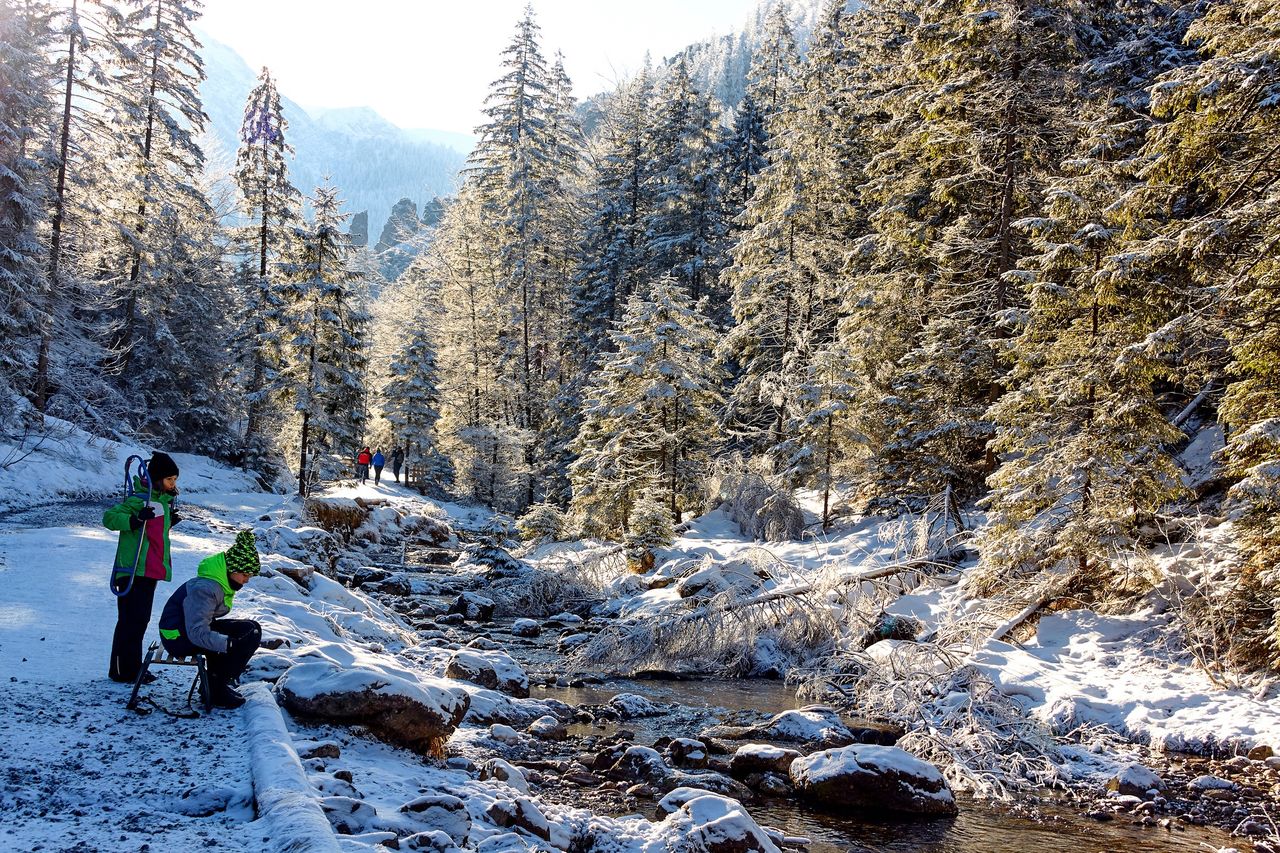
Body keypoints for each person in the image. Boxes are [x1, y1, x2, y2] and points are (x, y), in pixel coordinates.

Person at [158, 529, 263, 710]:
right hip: (178, 637)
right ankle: (215, 689)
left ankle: (216, 685)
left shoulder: (219, 583)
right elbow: (197, 632)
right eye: (245, 575)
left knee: (251, 629)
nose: (247, 581)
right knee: (235, 640)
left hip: (185, 630)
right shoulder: (206, 589)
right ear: (232, 569)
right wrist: (227, 643)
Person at [104, 451, 182, 683]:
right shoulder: (139, 499)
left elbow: (152, 536)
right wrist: (135, 519)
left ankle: (129, 667)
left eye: (175, 480)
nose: (173, 484)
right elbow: (109, 518)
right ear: (158, 478)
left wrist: (169, 524)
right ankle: (124, 670)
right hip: (133, 571)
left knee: (139, 621)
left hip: (148, 571)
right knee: (131, 621)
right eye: (170, 479)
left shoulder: (161, 503)